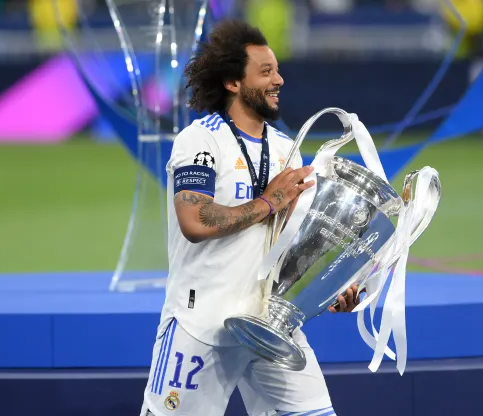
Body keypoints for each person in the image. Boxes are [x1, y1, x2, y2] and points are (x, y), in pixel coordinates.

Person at [139, 20, 362, 416]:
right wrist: (268, 201)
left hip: (269, 326)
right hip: (200, 326)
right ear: (232, 83)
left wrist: (332, 286)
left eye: (277, 70)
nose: (278, 79)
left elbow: (296, 238)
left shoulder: (285, 148)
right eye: (265, 72)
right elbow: (195, 221)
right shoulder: (200, 140)